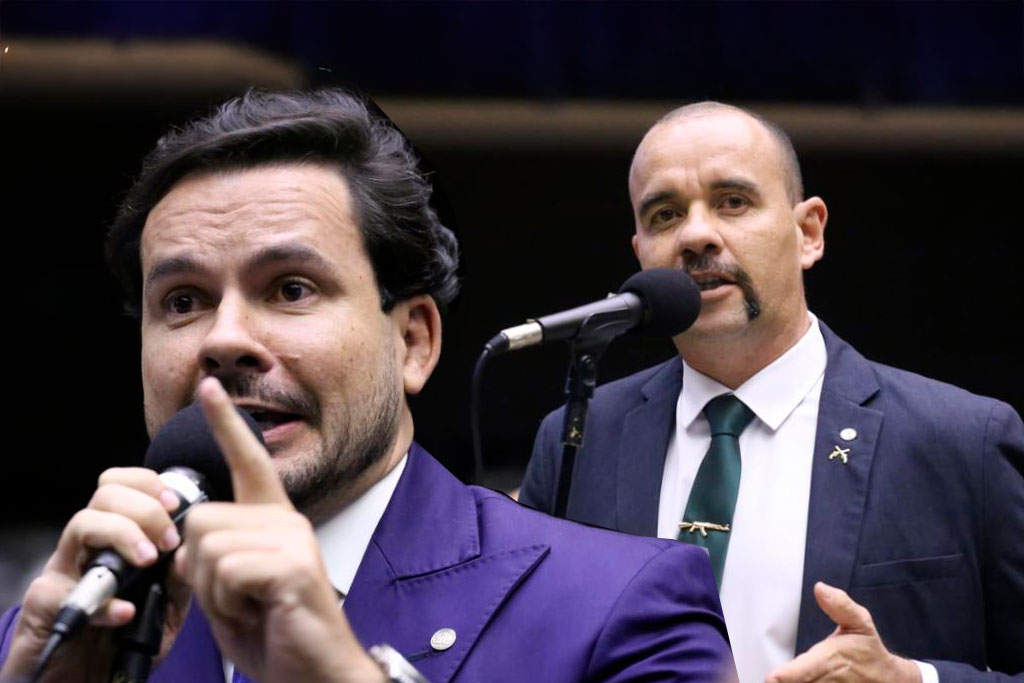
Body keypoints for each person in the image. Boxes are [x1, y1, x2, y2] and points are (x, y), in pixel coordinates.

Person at [0, 91, 735, 683]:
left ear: (412, 340)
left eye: (290, 288)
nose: (223, 339)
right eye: (183, 301)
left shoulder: (622, 607)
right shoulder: (59, 629)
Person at [520, 102, 1024, 683]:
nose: (695, 235)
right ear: (641, 256)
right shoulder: (579, 438)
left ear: (807, 232)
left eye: (733, 201)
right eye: (664, 214)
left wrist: (913, 680)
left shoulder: (962, 441)